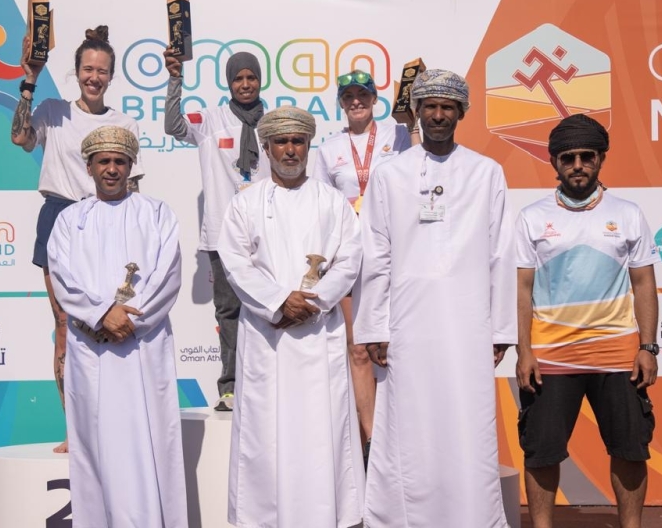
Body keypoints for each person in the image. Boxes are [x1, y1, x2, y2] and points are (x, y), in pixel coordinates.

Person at [353, 69, 516, 527]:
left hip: (468, 325)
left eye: (448, 107)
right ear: (417, 114)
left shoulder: (487, 173)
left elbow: (501, 253)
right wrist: (373, 327)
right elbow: (376, 253)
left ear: (461, 113)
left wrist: (501, 328)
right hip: (407, 325)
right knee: (409, 426)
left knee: (468, 425)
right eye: (430, 107)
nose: (438, 115)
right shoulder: (390, 174)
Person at [217, 106, 365, 528]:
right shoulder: (245, 203)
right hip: (268, 337)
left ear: (308, 146)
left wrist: (312, 302)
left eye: (298, 141)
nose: (290, 149)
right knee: (267, 436)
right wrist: (280, 300)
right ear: (266, 147)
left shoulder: (332, 201)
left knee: (322, 433)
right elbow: (235, 263)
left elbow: (350, 259)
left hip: (318, 335)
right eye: (281, 141)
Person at [515, 114, 659, 528]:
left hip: (617, 354)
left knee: (630, 450)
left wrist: (647, 348)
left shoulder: (628, 213)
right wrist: (524, 352)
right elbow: (522, 290)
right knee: (541, 452)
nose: (577, 165)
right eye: (568, 157)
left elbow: (645, 285)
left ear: (601, 159)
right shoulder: (531, 216)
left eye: (586, 157)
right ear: (555, 162)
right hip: (549, 355)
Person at [11, 25, 143, 453]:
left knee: (111, 322)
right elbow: (19, 137)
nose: (94, 77)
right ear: (76, 71)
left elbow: (132, 187)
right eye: (88, 69)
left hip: (108, 220)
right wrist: (29, 79)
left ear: (111, 76)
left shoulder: (124, 122)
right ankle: (76, 430)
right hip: (58, 217)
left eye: (102, 71)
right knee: (67, 326)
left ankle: (115, 425)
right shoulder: (52, 110)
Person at [47, 125, 186, 528]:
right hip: (91, 349)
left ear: (131, 166)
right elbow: (63, 278)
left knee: (150, 441)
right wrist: (101, 314)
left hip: (143, 347)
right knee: (96, 447)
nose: (112, 169)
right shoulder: (70, 219)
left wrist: (127, 318)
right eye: (103, 162)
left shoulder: (156, 212)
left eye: (119, 162)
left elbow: (167, 274)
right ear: (88, 167)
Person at [312, 70, 416, 456]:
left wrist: (415, 127)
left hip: (397, 251)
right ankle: (372, 440)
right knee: (358, 349)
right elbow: (322, 205)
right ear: (340, 102)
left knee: (401, 344)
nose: (356, 101)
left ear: (375, 99)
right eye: (348, 96)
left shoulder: (398, 135)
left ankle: (404, 432)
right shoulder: (329, 149)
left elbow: (419, 176)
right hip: (351, 256)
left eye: (363, 94)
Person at [163, 48, 270, 411]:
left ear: (260, 80)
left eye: (251, 77)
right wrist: (175, 80)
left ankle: (268, 383)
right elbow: (173, 126)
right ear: (228, 82)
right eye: (238, 78)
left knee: (269, 310)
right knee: (229, 312)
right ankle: (230, 386)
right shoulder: (211, 119)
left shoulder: (272, 123)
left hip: (267, 236)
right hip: (222, 237)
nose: (245, 84)